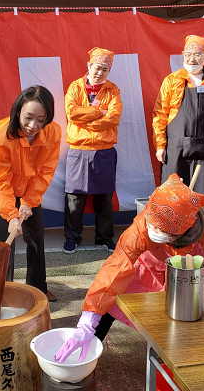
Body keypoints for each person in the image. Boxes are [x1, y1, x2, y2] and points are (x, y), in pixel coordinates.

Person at [55, 173, 204, 362]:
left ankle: (169, 360)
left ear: (178, 234)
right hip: (149, 263)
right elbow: (116, 268)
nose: (152, 232)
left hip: (186, 273)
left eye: (160, 231)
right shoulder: (145, 225)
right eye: (152, 226)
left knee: (181, 314)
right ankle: (89, 341)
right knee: (113, 295)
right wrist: (87, 321)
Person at [0, 85, 61, 302]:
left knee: (36, 236)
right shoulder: (0, 136)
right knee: (6, 239)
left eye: (41, 119)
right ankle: (1, 295)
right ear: (18, 112)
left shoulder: (54, 132)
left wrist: (28, 202)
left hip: (29, 187)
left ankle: (38, 289)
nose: (34, 126)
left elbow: (45, 172)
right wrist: (11, 215)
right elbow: (0, 182)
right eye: (28, 118)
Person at [63, 47, 122, 254]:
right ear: (89, 66)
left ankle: (105, 238)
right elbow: (71, 112)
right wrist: (98, 112)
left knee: (104, 198)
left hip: (104, 150)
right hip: (78, 149)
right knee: (74, 198)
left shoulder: (113, 90)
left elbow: (114, 118)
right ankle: (72, 238)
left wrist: (86, 122)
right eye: (97, 68)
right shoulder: (75, 87)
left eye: (105, 70)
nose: (100, 73)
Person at [152, 35, 204, 199]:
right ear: (183, 54)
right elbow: (160, 114)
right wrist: (160, 145)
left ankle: (200, 225)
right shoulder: (172, 80)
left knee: (201, 196)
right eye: (188, 54)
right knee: (174, 193)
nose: (192, 59)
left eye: (197, 55)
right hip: (176, 146)